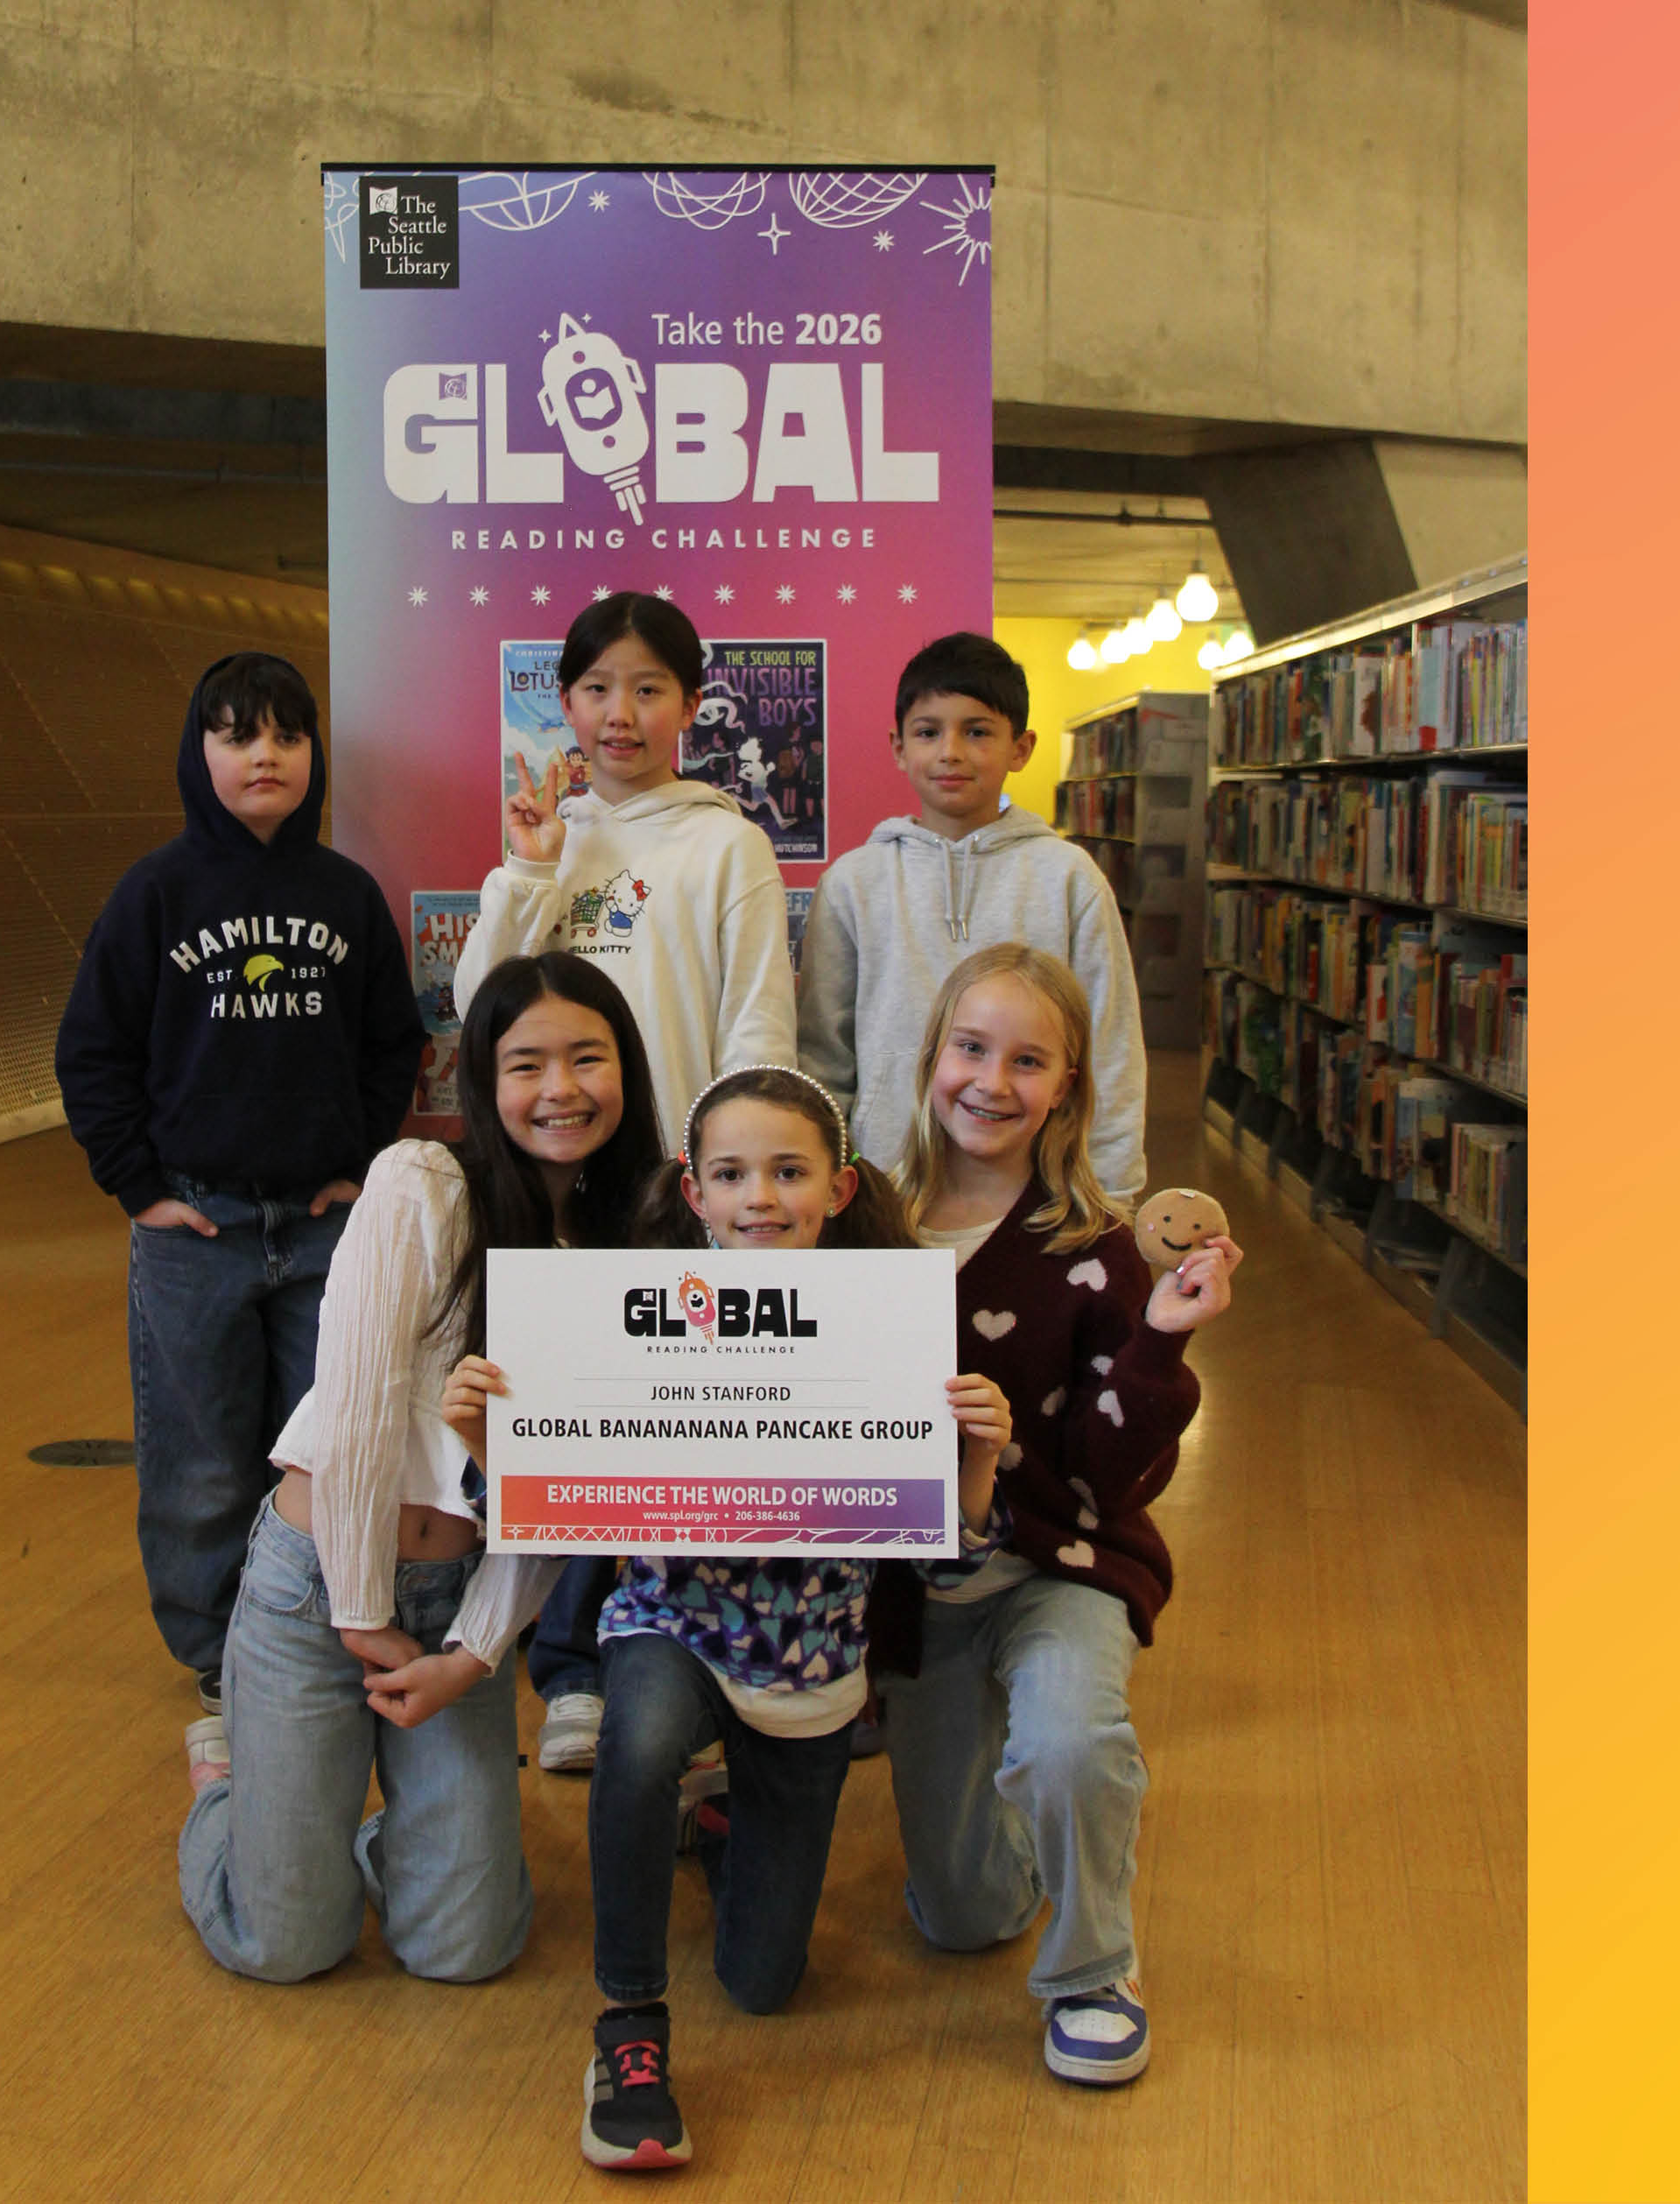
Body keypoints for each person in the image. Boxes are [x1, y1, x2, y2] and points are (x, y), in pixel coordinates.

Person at [445, 1065, 1006, 2170]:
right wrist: (482, 1441)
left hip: (811, 1672)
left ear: (838, 1188)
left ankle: (715, 1830)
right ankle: (628, 2026)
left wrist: (977, 1460)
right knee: (637, 1740)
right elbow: (554, 1510)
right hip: (671, 1622)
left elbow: (943, 1563)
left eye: (789, 1172)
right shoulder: (629, 1315)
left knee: (761, 1983)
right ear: (693, 1192)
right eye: (732, 1174)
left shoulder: (889, 1325)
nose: (760, 1197)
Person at [176, 953, 669, 1982]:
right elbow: (355, 1409)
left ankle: (344, 1835)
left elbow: (569, 1499)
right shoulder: (423, 1183)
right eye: (526, 1064)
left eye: (588, 1057)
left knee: (465, 1947)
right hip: (315, 1582)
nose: (561, 1089)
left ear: (627, 1067)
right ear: (481, 1079)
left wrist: (474, 1653)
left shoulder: (632, 1248)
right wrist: (361, 1609)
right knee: (285, 1946)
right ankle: (228, 1791)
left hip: (455, 1600)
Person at [870, 944, 1240, 2088]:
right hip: (921, 1587)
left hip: (1058, 1563)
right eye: (970, 1048)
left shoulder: (1095, 1250)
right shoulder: (864, 1227)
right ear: (930, 1055)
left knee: (1072, 1740)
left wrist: (1162, 1338)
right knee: (963, 1915)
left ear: (1068, 1086)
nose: (991, 1082)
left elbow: (1112, 1473)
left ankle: (1093, 1968)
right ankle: (1036, 1833)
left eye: (1028, 1061)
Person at [458, 593, 798, 1775]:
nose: (621, 713)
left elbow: (757, 1023)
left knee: (668, 1427)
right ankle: (568, 1669)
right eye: (597, 688)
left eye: (649, 688)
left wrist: (735, 1179)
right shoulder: (547, 839)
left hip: (672, 1185)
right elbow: (479, 1013)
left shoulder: (726, 844)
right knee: (567, 1414)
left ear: (689, 706)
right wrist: (528, 871)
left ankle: (663, 1655)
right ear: (563, 702)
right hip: (557, 1180)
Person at [54, 651, 424, 1716]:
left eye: (286, 736)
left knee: (328, 1443)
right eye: (237, 735)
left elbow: (390, 1043)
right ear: (198, 753)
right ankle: (219, 1653)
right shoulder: (154, 894)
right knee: (202, 1457)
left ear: (313, 755)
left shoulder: (345, 895)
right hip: (193, 1227)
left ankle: (315, 1623)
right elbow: (92, 1050)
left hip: (319, 1227)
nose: (265, 755)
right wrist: (137, 1186)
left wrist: (356, 1163)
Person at [797, 630, 1149, 1201]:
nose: (951, 752)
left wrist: (1113, 1196)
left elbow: (1111, 1049)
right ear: (898, 747)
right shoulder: (852, 884)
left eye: (978, 732)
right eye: (928, 732)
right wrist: (826, 1183)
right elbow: (822, 1058)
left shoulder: (1069, 878)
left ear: (1021, 748)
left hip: (1037, 1191)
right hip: (884, 1185)